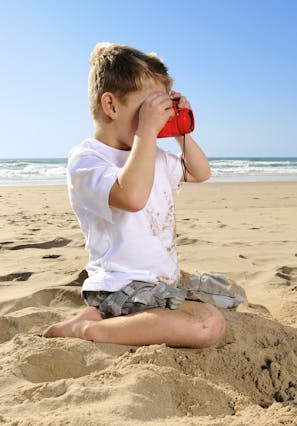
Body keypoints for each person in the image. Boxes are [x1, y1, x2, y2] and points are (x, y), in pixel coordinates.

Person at [43, 43, 246, 348]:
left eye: (164, 107)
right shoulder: (87, 160)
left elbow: (200, 173)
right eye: (149, 109)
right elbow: (132, 196)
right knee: (208, 326)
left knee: (231, 293)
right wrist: (146, 133)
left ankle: (101, 318)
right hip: (120, 285)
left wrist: (180, 130)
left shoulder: (156, 155)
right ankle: (90, 330)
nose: (158, 117)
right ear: (111, 106)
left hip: (161, 280)